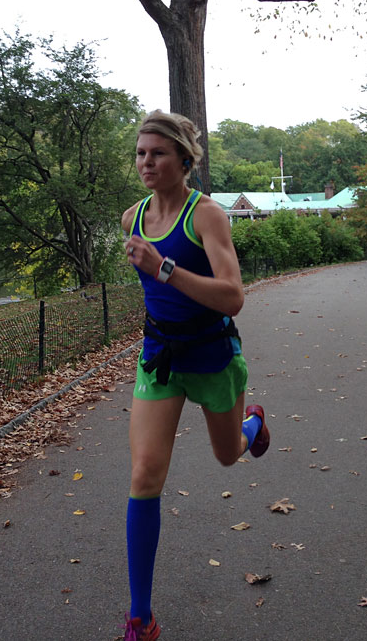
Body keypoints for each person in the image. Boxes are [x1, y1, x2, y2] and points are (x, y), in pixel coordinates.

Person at [119, 110, 270, 640]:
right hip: (160, 357)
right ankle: (140, 618)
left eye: (157, 153)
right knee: (144, 474)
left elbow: (233, 297)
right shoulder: (132, 217)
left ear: (184, 160)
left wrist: (163, 267)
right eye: (141, 153)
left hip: (212, 355)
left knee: (228, 456)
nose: (146, 162)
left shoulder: (206, 215)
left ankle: (254, 423)